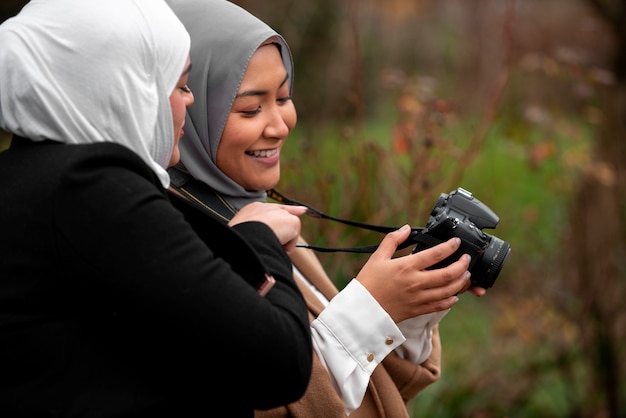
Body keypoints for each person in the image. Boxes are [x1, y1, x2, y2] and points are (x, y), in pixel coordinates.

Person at [166, 0, 486, 417]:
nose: (280, 125)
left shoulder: (256, 209)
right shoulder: (177, 237)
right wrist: (371, 308)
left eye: (283, 97)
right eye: (250, 108)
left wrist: (412, 303)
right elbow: (262, 400)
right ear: (187, 102)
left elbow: (372, 390)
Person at [0, 0, 313, 416]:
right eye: (179, 84)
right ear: (124, 86)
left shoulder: (26, 178)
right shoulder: (95, 189)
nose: (188, 102)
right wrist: (258, 241)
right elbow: (281, 363)